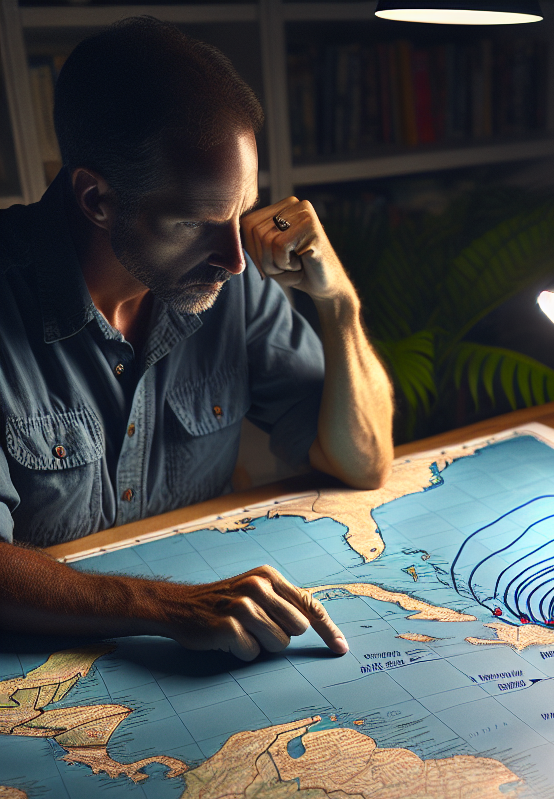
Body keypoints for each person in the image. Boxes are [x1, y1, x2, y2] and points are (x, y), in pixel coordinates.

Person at [0, 18, 394, 660]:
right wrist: (166, 606)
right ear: (96, 197)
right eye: (194, 221)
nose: (237, 258)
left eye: (241, 212)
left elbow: (362, 460)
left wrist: (339, 303)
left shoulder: (224, 281)